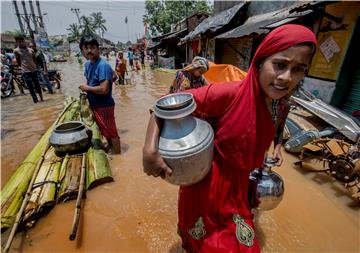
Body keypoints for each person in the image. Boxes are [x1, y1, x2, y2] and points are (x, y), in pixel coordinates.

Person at [142, 24, 317, 252]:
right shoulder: (229, 94)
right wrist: (149, 151)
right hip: (207, 187)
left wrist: (278, 146)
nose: (286, 77)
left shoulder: (280, 104)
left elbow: (272, 129)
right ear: (260, 61)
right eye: (280, 65)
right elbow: (165, 104)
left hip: (239, 188)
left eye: (298, 69)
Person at [78, 36, 121, 154]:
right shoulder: (88, 64)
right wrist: (87, 90)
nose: (89, 51)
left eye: (92, 47)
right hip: (94, 104)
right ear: (83, 50)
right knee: (104, 130)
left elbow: (104, 90)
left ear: (98, 49)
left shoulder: (103, 65)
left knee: (112, 133)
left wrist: (87, 88)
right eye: (86, 48)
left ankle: (118, 155)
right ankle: (111, 148)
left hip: (104, 106)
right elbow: (92, 80)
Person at [14, 35, 43, 103]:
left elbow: (34, 59)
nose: (22, 43)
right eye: (19, 41)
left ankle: (41, 99)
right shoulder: (16, 51)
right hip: (26, 71)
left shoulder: (31, 50)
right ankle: (35, 101)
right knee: (30, 87)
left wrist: (35, 66)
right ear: (17, 42)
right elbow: (18, 61)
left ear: (25, 41)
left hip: (34, 70)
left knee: (37, 85)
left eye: (23, 41)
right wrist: (22, 67)